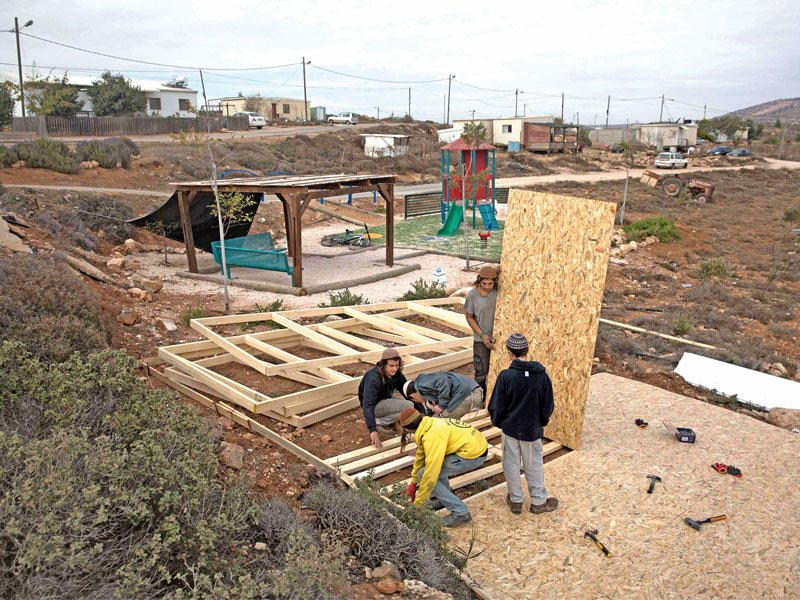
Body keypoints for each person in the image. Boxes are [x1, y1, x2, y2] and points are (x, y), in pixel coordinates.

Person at [488, 333, 558, 515]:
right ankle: (539, 502)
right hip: (532, 431)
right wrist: (541, 423)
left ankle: (516, 501)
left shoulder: (506, 376)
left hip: (510, 430)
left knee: (510, 464)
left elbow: (496, 405)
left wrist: (500, 423)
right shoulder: (541, 376)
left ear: (509, 352)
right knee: (534, 465)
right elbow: (548, 405)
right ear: (527, 350)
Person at [398, 407, 488, 527]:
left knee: (424, 474)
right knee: (428, 471)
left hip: (473, 456)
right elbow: (421, 456)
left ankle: (460, 513)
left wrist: (418, 505)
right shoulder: (428, 424)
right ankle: (444, 499)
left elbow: (431, 474)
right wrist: (413, 484)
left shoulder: (432, 436)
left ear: (408, 429)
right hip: (475, 446)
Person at [358, 348, 421, 449]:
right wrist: (372, 430)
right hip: (375, 405)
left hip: (385, 397)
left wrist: (423, 413)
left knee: (410, 406)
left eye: (397, 365)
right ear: (383, 365)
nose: (394, 369)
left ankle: (389, 422)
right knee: (408, 406)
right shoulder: (373, 378)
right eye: (391, 366)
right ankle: (378, 422)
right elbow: (368, 405)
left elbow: (407, 392)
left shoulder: (396, 374)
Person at [464, 264, 500, 392]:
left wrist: (496, 270)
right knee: (481, 373)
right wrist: (482, 335)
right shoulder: (472, 295)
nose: (487, 286)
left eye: (490, 284)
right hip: (481, 340)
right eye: (484, 283)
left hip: (498, 338)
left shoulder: (498, 290)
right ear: (479, 280)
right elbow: (469, 318)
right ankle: (480, 398)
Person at [403, 372, 483, 420]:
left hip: (470, 394)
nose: (420, 402)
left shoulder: (421, 384)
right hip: (471, 392)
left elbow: (443, 380)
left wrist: (441, 405)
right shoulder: (426, 389)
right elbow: (431, 410)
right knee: (435, 418)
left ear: (413, 396)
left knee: (437, 421)